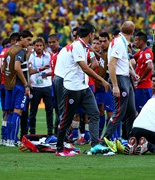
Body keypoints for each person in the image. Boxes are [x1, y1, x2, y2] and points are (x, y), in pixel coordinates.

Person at [55, 23, 111, 156]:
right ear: (90, 34)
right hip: (72, 87)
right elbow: (85, 67)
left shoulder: (85, 47)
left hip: (83, 86)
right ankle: (59, 148)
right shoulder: (77, 46)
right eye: (94, 34)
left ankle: (95, 145)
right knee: (67, 118)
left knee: (95, 113)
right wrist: (102, 80)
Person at [102, 21, 137, 141]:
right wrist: (115, 85)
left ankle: (128, 138)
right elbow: (112, 64)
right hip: (120, 79)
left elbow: (123, 61)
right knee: (119, 112)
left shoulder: (121, 42)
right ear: (132, 32)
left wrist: (132, 73)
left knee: (132, 111)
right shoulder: (119, 43)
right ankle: (105, 139)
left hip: (126, 78)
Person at [4, 30, 33, 147]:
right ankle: (14, 139)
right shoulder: (20, 51)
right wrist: (26, 84)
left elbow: (3, 69)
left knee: (11, 112)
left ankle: (8, 139)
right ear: (21, 38)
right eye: (28, 40)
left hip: (9, 85)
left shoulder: (9, 50)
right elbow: (17, 67)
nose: (29, 43)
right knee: (18, 111)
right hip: (19, 85)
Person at [28, 37, 54, 136]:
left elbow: (54, 69)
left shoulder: (48, 56)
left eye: (40, 45)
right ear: (34, 46)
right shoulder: (31, 56)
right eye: (37, 45)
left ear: (43, 46)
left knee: (49, 110)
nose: (39, 47)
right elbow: (29, 71)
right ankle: (32, 133)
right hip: (35, 86)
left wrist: (47, 75)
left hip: (47, 85)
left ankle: (50, 133)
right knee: (33, 111)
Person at [95, 32, 114, 138]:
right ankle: (101, 136)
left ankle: (113, 137)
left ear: (109, 40)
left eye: (104, 41)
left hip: (109, 86)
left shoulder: (111, 53)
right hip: (101, 86)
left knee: (110, 112)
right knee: (101, 111)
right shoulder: (103, 53)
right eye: (100, 41)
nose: (102, 44)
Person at [133, 31, 154, 112]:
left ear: (141, 41)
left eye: (136, 40)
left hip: (143, 87)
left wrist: (140, 79)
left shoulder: (147, 52)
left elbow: (150, 66)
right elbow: (131, 57)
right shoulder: (141, 52)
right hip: (140, 87)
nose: (134, 42)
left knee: (143, 112)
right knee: (139, 110)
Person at [0, 38, 11, 145]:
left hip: (2, 84)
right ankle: (7, 136)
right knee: (10, 111)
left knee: (5, 111)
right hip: (8, 85)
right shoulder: (10, 52)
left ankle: (3, 136)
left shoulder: (0, 54)